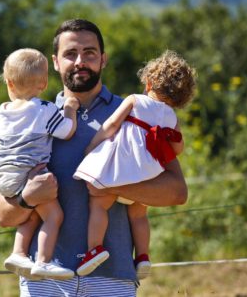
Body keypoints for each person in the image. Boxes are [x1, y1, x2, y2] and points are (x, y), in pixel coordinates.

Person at [0, 19, 188, 297]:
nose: (80, 61)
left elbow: (177, 192)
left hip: (112, 279)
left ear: (103, 59)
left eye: (89, 53)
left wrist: (111, 186)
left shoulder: (137, 114)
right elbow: (4, 215)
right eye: (70, 54)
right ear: (55, 63)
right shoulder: (34, 117)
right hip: (44, 281)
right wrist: (28, 197)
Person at [73, 50, 196, 279]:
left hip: (120, 167)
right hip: (146, 173)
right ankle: (142, 257)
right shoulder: (172, 117)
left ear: (148, 82)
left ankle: (94, 250)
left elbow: (110, 125)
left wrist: (92, 145)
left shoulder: (135, 100)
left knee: (99, 204)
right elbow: (177, 149)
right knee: (139, 215)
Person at [0, 48, 79, 279]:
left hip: (3, 176)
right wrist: (69, 109)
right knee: (53, 216)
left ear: (9, 83)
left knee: (32, 213)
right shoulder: (44, 109)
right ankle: (43, 261)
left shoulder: (2, 111)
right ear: (44, 83)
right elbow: (67, 131)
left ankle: (18, 252)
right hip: (30, 175)